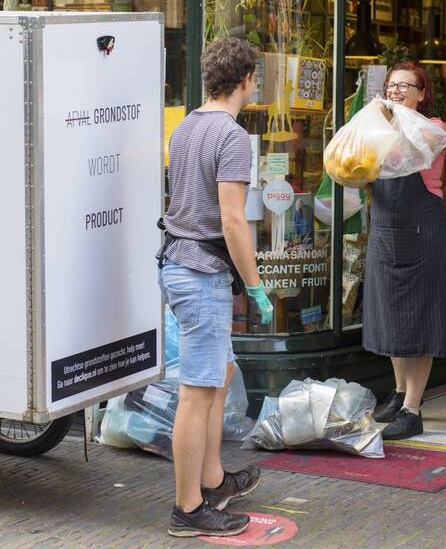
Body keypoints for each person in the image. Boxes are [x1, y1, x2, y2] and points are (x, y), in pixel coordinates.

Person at [157, 37, 275, 538]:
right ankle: (188, 509)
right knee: (198, 392)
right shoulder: (231, 137)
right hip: (202, 272)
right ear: (247, 79)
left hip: (180, 262)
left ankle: (214, 479)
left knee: (219, 374)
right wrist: (256, 286)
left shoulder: (186, 127)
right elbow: (232, 221)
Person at [364, 61, 446, 440]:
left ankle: (413, 408)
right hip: (386, 230)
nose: (396, 91)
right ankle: (399, 392)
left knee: (419, 320)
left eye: (406, 86)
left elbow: (403, 155)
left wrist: (377, 126)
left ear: (422, 94)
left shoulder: (433, 130)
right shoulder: (378, 127)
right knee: (391, 316)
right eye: (391, 85)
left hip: (420, 231)